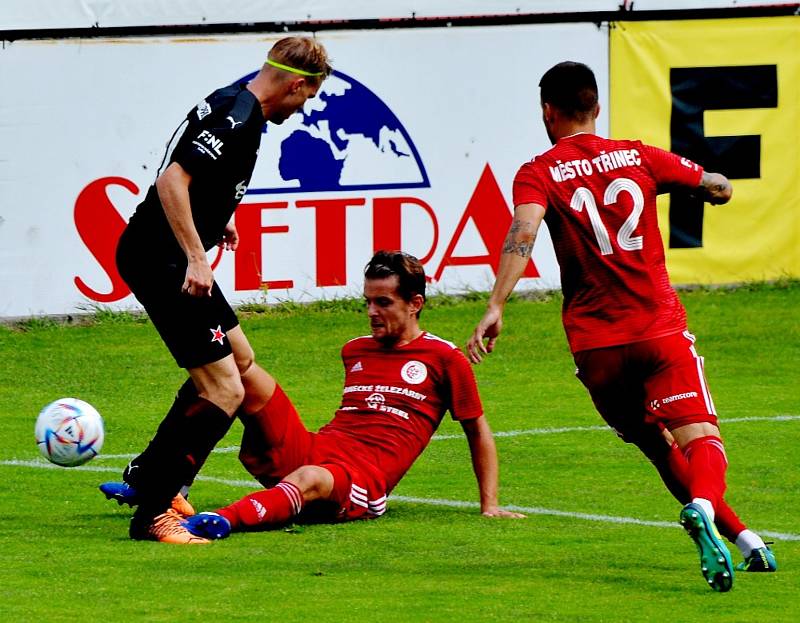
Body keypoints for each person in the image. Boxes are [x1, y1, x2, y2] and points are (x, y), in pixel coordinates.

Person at [466, 61, 776, 591]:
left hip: (596, 348)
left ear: (547, 111)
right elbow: (715, 186)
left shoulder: (538, 171)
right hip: (658, 330)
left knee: (657, 447)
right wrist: (711, 185)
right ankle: (703, 505)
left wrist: (497, 303)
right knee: (701, 437)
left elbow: (524, 231)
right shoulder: (638, 156)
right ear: (596, 107)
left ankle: (746, 541)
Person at [104, 37, 333, 543]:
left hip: (169, 253)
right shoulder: (239, 114)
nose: (301, 111)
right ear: (295, 83)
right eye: (306, 99)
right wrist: (194, 254)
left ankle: (149, 478)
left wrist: (218, 221)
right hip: (161, 259)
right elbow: (171, 182)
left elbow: (201, 178)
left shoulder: (239, 99)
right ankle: (155, 514)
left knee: (241, 362)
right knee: (224, 388)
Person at [175, 250, 525, 540]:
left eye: (383, 302)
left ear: (415, 303)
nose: (372, 312)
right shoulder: (355, 350)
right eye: (368, 302)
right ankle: (168, 483)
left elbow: (477, 429)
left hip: (361, 479)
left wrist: (489, 504)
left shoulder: (446, 359)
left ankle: (217, 521)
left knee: (310, 478)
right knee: (236, 369)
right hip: (315, 449)